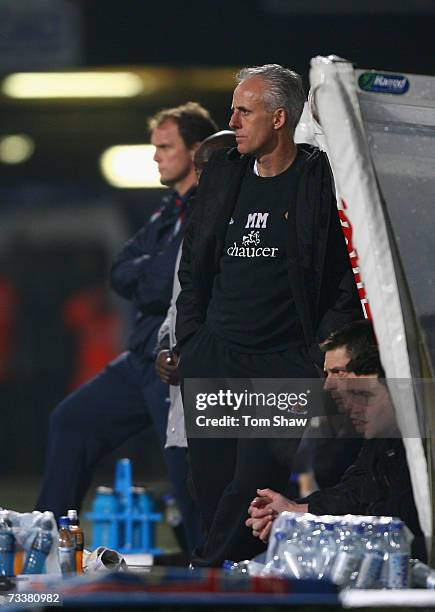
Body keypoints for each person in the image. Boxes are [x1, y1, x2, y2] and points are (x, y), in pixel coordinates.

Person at [176, 64, 362, 566]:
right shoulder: (223, 175)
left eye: (243, 111)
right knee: (212, 486)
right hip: (216, 356)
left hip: (282, 362)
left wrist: (318, 347)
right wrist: (193, 341)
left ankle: (206, 574)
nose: (231, 121)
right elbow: (194, 266)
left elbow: (349, 271)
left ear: (279, 118)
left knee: (252, 486)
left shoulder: (319, 179)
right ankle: (238, 580)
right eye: (233, 109)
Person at [35, 102, 217, 553]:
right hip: (139, 359)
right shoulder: (166, 210)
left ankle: (211, 569)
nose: (155, 156)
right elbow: (121, 272)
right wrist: (152, 271)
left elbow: (161, 282)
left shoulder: (211, 208)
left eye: (165, 147)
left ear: (197, 150)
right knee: (72, 421)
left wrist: (150, 272)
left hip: (175, 363)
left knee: (186, 472)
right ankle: (45, 544)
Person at [246, 347, 426, 560]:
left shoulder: (412, 442)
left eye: (363, 394)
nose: (353, 406)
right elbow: (354, 491)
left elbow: (397, 517)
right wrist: (295, 511)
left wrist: (301, 513)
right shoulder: (381, 441)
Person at [155, 130, 237, 449]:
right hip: (186, 403)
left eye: (209, 167)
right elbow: (176, 304)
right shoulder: (196, 225)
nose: (201, 177)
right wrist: (164, 346)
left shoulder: (253, 228)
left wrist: (194, 353)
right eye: (198, 168)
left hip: (227, 396)